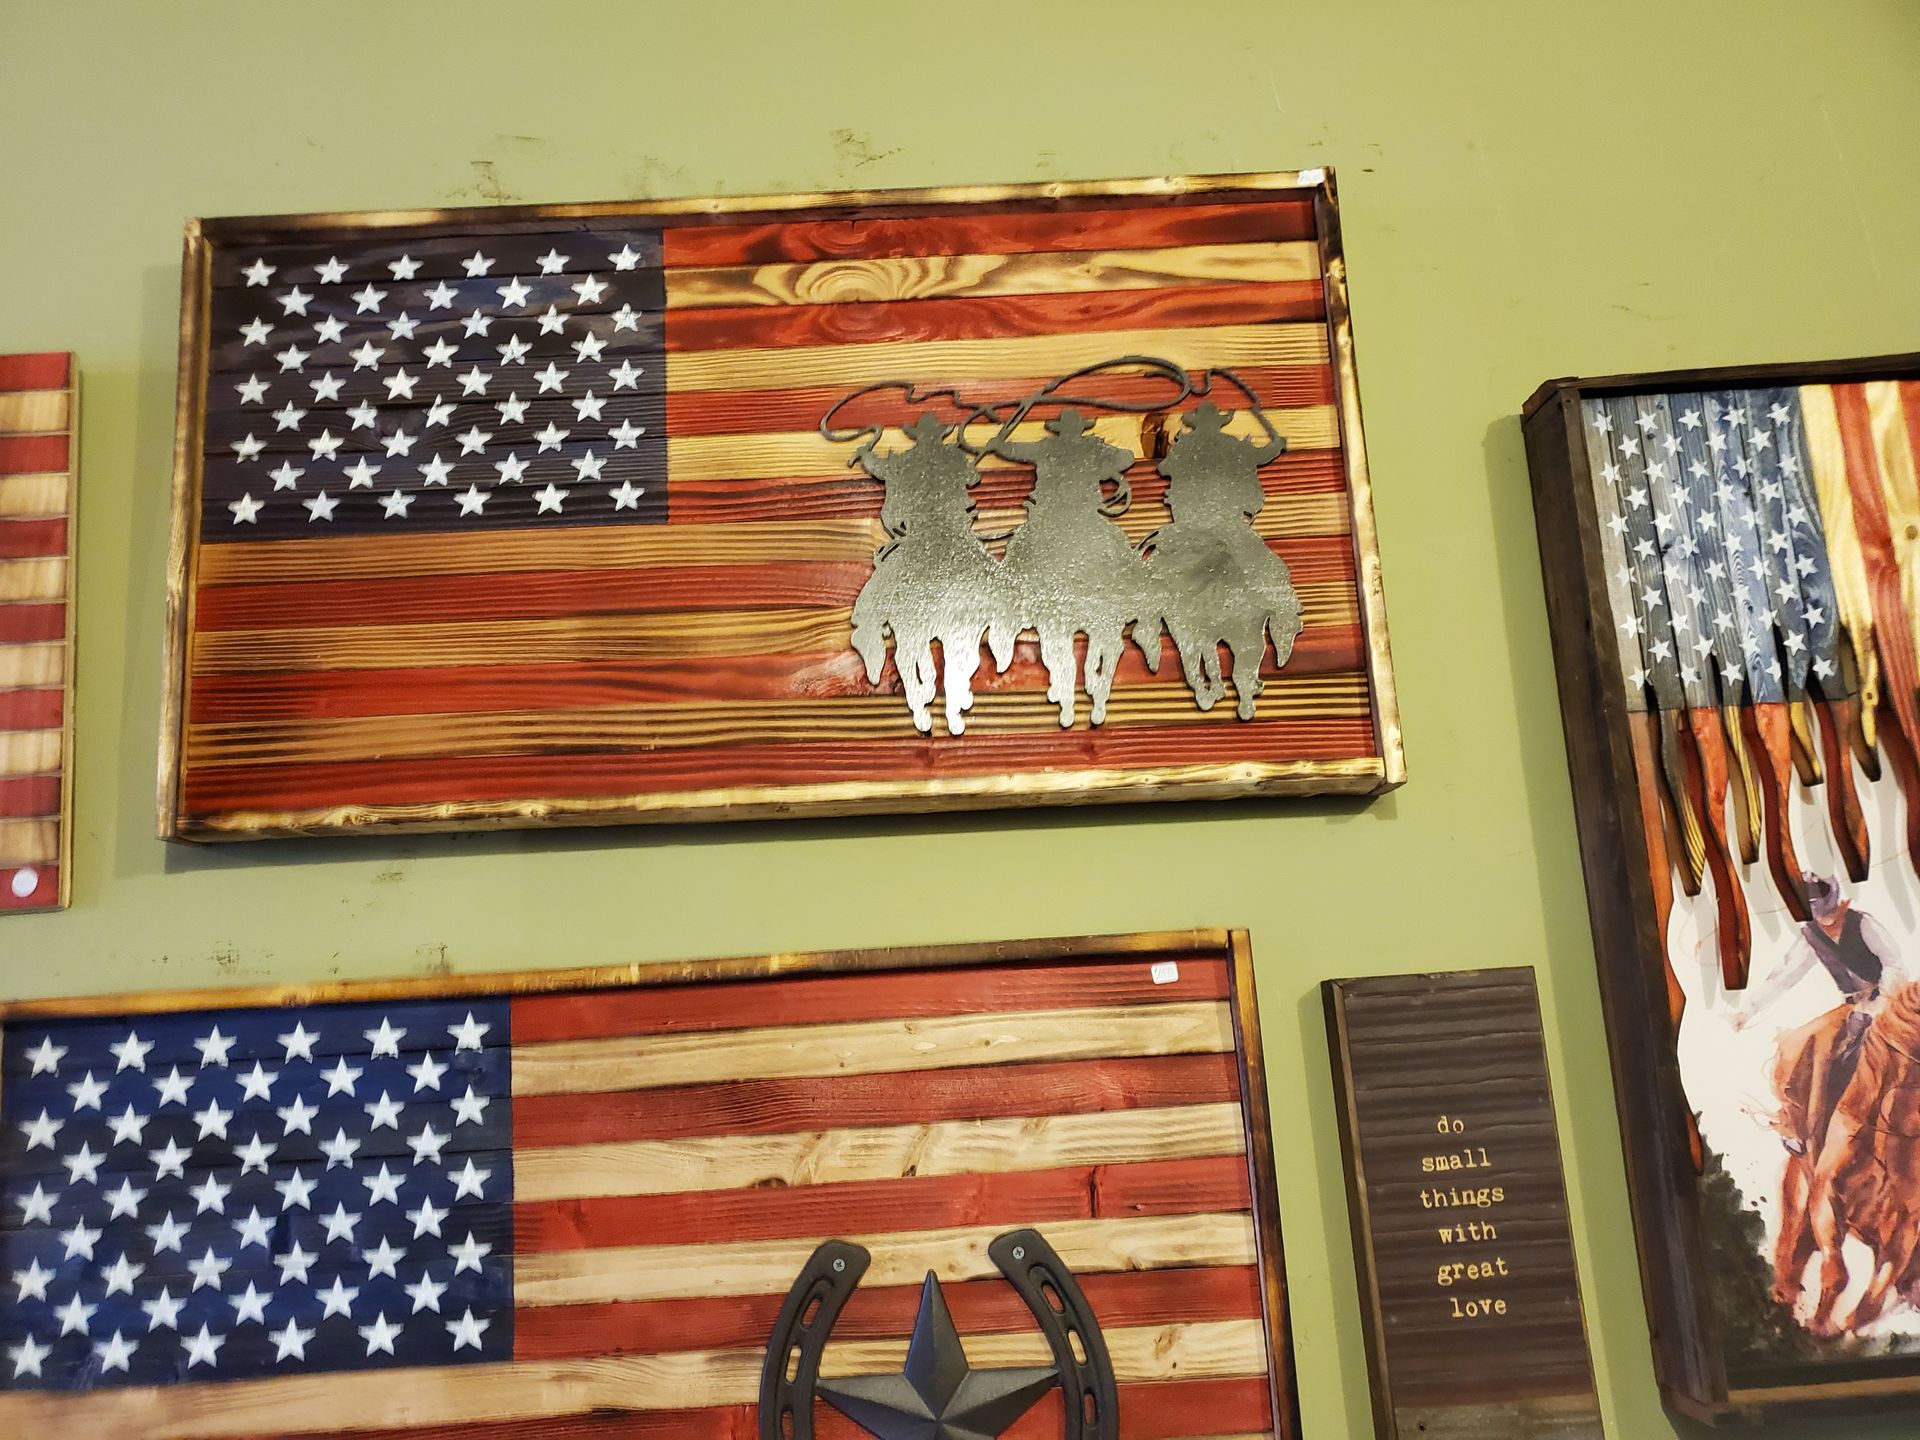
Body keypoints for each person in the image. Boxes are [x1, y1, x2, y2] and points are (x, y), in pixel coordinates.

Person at [1735, 873, 1907, 1152]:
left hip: (1888, 999)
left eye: (1828, 912)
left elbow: (1893, 964)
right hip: (1851, 1005)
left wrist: (1880, 1004)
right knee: (1805, 1044)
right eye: (1818, 914)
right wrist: (1747, 1010)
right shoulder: (1811, 936)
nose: (1826, 921)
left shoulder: (1862, 923)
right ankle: (1801, 1125)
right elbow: (1784, 976)